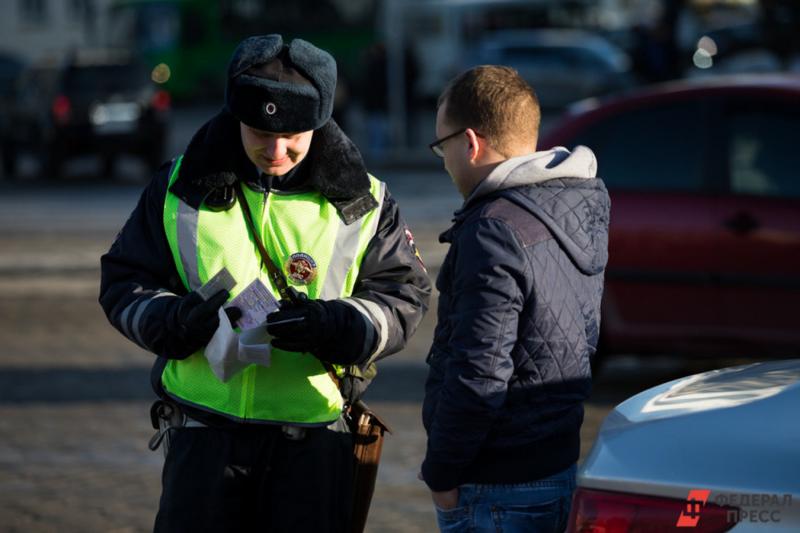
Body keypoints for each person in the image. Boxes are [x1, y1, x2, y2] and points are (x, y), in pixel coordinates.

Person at [99, 34, 431, 532]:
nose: (277, 149)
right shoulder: (176, 188)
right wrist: (172, 320)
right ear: (236, 116)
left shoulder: (365, 202)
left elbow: (403, 296)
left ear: (320, 121)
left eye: (295, 133)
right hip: (204, 437)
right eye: (259, 131)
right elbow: (124, 282)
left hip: (314, 440)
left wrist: (337, 325)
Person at [419, 65, 609, 532]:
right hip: (557, 462)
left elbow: (479, 370)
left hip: (496, 485)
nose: (444, 161)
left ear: (470, 142)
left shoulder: (492, 230)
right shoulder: (575, 201)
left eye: (442, 146)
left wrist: (442, 472)